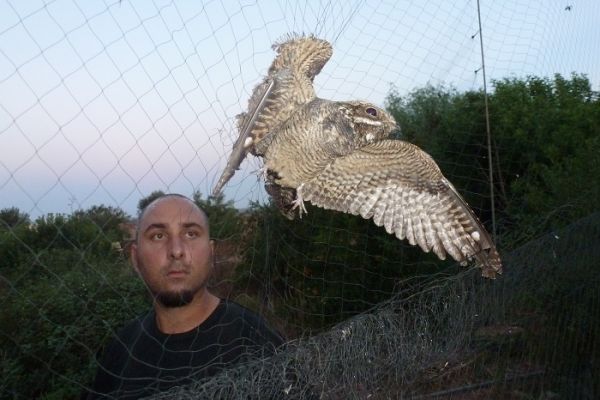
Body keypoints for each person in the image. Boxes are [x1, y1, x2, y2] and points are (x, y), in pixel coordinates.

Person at [85, 194, 284, 399]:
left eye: (191, 234)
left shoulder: (257, 341)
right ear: (136, 258)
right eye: (158, 236)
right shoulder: (121, 348)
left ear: (211, 252)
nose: (177, 251)